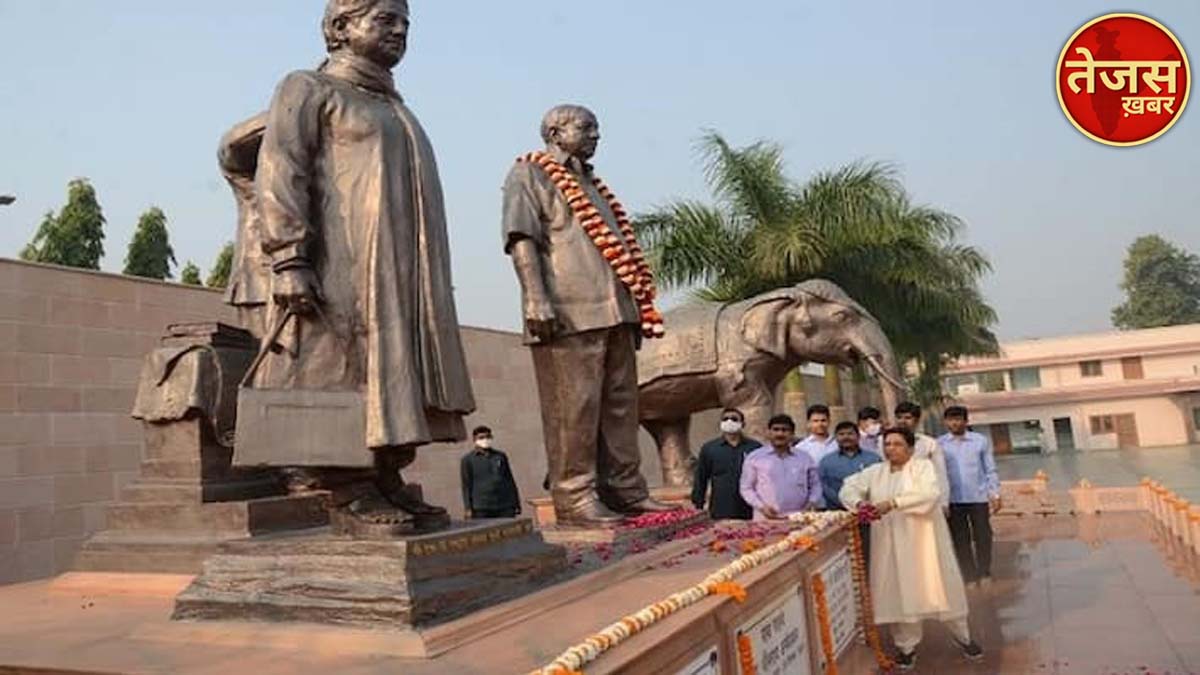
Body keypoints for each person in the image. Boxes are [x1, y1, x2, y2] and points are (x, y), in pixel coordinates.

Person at [225, 0, 476, 526]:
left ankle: (383, 473)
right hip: (340, 264)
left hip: (399, 269)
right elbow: (280, 170)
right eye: (386, 19)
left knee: (392, 367)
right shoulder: (309, 88)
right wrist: (290, 257)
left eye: (406, 22)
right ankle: (344, 484)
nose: (401, 30)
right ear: (341, 27)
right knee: (338, 367)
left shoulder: (394, 106)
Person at [501, 104, 672, 525]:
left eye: (597, 126)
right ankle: (575, 494)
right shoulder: (530, 173)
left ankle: (626, 488)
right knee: (573, 408)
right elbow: (522, 238)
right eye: (586, 126)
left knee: (620, 407)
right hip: (568, 309)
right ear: (555, 133)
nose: (596, 134)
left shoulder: (594, 184)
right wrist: (534, 296)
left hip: (615, 306)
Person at [840, 427, 983, 669]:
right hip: (890, 543)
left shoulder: (923, 468)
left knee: (941, 589)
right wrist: (860, 504)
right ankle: (906, 648)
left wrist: (893, 503)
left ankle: (964, 637)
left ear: (910, 448)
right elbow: (848, 488)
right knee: (899, 594)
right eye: (887, 444)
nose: (891, 449)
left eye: (897, 444)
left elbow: (929, 494)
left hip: (925, 543)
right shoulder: (875, 472)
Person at [940, 406, 1002, 587]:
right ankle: (969, 576)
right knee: (960, 539)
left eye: (958, 419)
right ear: (945, 422)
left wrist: (995, 494)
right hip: (953, 500)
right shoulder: (939, 444)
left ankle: (984, 571)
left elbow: (990, 469)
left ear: (966, 421)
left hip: (978, 497)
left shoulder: (980, 441)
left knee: (983, 536)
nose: (954, 423)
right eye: (950, 419)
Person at [739, 414, 821, 520]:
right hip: (765, 518)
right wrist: (762, 507)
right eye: (775, 429)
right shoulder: (755, 458)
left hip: (799, 518)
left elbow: (815, 485)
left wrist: (811, 503)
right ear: (768, 432)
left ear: (792, 434)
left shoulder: (805, 458)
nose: (780, 434)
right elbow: (746, 488)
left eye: (785, 430)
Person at [691, 408, 760, 520]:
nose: (729, 422)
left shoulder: (754, 448)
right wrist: (698, 503)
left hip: (749, 506)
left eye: (734, 419)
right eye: (725, 419)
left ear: (742, 424)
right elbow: (701, 477)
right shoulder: (710, 448)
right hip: (721, 508)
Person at [893, 402, 950, 511]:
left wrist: (944, 502)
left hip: (923, 500)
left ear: (917, 420)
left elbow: (940, 474)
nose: (902, 421)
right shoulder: (883, 443)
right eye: (899, 417)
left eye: (907, 418)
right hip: (894, 499)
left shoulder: (929, 443)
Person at [460, 426, 522, 519]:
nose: (485, 440)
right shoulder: (468, 460)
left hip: (504, 504)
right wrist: (468, 508)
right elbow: (466, 485)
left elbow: (509, 480)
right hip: (481, 506)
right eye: (481, 437)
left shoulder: (500, 456)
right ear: (474, 439)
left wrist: (516, 502)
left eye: (488, 437)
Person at [819, 422, 882, 510]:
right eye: (841, 434)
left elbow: (880, 483)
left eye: (850, 434)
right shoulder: (826, 461)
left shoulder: (873, 459)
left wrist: (865, 505)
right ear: (836, 438)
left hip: (870, 511)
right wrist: (846, 502)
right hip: (838, 512)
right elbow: (824, 486)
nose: (846, 437)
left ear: (858, 436)